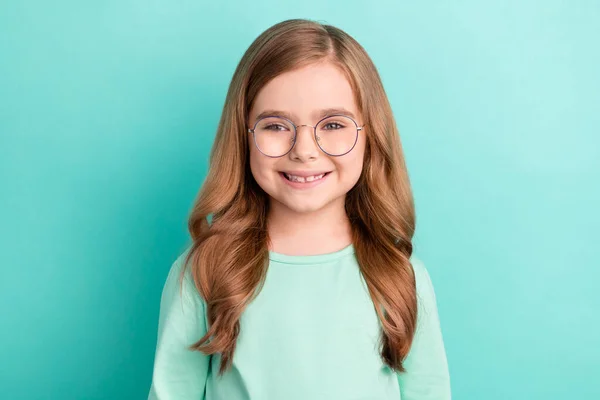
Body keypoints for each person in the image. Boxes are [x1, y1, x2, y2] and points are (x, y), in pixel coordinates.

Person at [148, 18, 451, 400]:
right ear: (243, 137)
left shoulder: (400, 276)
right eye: (275, 126)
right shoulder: (206, 273)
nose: (304, 150)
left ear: (369, 135)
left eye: (333, 124)